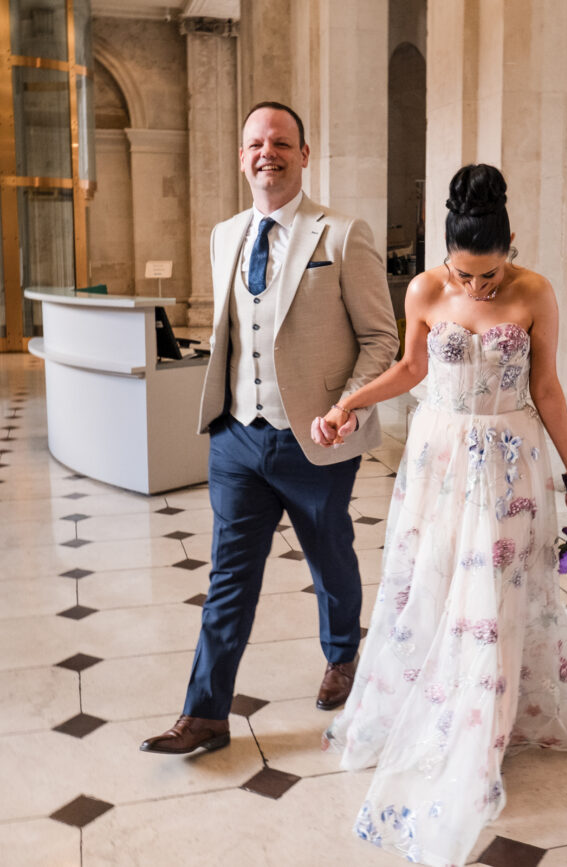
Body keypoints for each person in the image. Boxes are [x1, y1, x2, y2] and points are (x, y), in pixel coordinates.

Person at [315, 164, 567, 866]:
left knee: (496, 588)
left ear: (511, 246)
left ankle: (486, 718)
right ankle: (432, 697)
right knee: (435, 575)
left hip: (513, 455)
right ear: (446, 254)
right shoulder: (424, 289)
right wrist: (349, 402)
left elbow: (547, 385)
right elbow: (411, 370)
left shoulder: (535, 292)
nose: (478, 288)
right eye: (465, 274)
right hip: (441, 457)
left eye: (490, 275)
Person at [140, 101, 398, 754]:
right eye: (256, 143)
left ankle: (343, 653)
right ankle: (205, 713)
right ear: (241, 157)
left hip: (317, 439)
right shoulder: (225, 234)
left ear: (303, 155)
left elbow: (381, 339)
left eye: (281, 143)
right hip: (236, 437)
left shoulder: (342, 235)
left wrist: (346, 406)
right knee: (229, 576)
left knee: (329, 554)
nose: (267, 153)